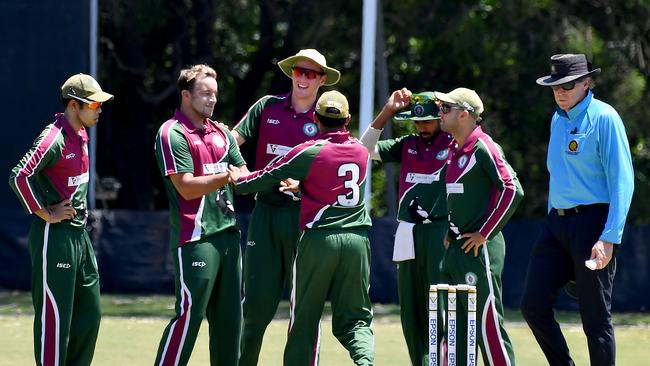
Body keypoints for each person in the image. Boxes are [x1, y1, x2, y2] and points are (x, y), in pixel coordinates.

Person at [228, 91, 374, 366]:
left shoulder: (309, 149)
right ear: (348, 120)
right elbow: (332, 182)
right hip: (357, 240)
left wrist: (240, 179)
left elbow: (264, 176)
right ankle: (366, 361)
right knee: (355, 319)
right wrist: (303, 187)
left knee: (304, 316)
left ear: (316, 118)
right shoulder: (361, 152)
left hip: (318, 238)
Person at [521, 53, 634, 365]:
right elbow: (558, 175)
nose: (560, 91)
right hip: (556, 225)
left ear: (587, 82)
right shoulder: (557, 120)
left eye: (568, 84)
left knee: (595, 320)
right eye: (555, 85)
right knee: (532, 305)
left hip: (593, 224)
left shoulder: (605, 117)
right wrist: (550, 219)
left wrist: (610, 236)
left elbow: (623, 181)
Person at [229, 48, 341, 365]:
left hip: (305, 219)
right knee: (254, 307)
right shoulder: (267, 107)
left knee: (304, 309)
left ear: (321, 80)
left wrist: (304, 188)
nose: (303, 78)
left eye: (311, 73)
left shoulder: (325, 119)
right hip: (264, 213)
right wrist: (240, 169)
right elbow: (231, 140)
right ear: (291, 73)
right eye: (299, 71)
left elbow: (338, 169)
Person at [8, 73, 113, 366]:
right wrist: (46, 212)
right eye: (94, 105)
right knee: (55, 319)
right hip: (53, 236)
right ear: (73, 104)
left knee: (90, 315)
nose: (99, 110)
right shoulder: (53, 137)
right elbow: (19, 176)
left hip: (79, 235)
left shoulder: (81, 133)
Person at [153, 64, 248, 366]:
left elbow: (243, 173)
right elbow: (186, 188)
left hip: (229, 236)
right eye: (205, 93)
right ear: (185, 95)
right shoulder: (172, 133)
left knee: (231, 322)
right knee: (189, 315)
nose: (212, 99)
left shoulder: (221, 132)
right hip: (196, 238)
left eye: (215, 94)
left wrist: (280, 178)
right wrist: (226, 177)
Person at [360, 88, 452, 365]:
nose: (422, 127)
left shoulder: (454, 143)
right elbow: (363, 148)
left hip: (439, 231)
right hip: (406, 231)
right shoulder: (408, 144)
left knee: (440, 306)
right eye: (417, 121)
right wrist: (387, 111)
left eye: (428, 121)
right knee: (410, 309)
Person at [435, 87, 523, 366]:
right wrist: (452, 230)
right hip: (458, 247)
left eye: (445, 108)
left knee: (487, 324)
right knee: (456, 328)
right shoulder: (452, 148)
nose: (440, 112)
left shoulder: (484, 145)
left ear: (464, 114)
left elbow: (512, 190)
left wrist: (485, 232)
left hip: (480, 249)